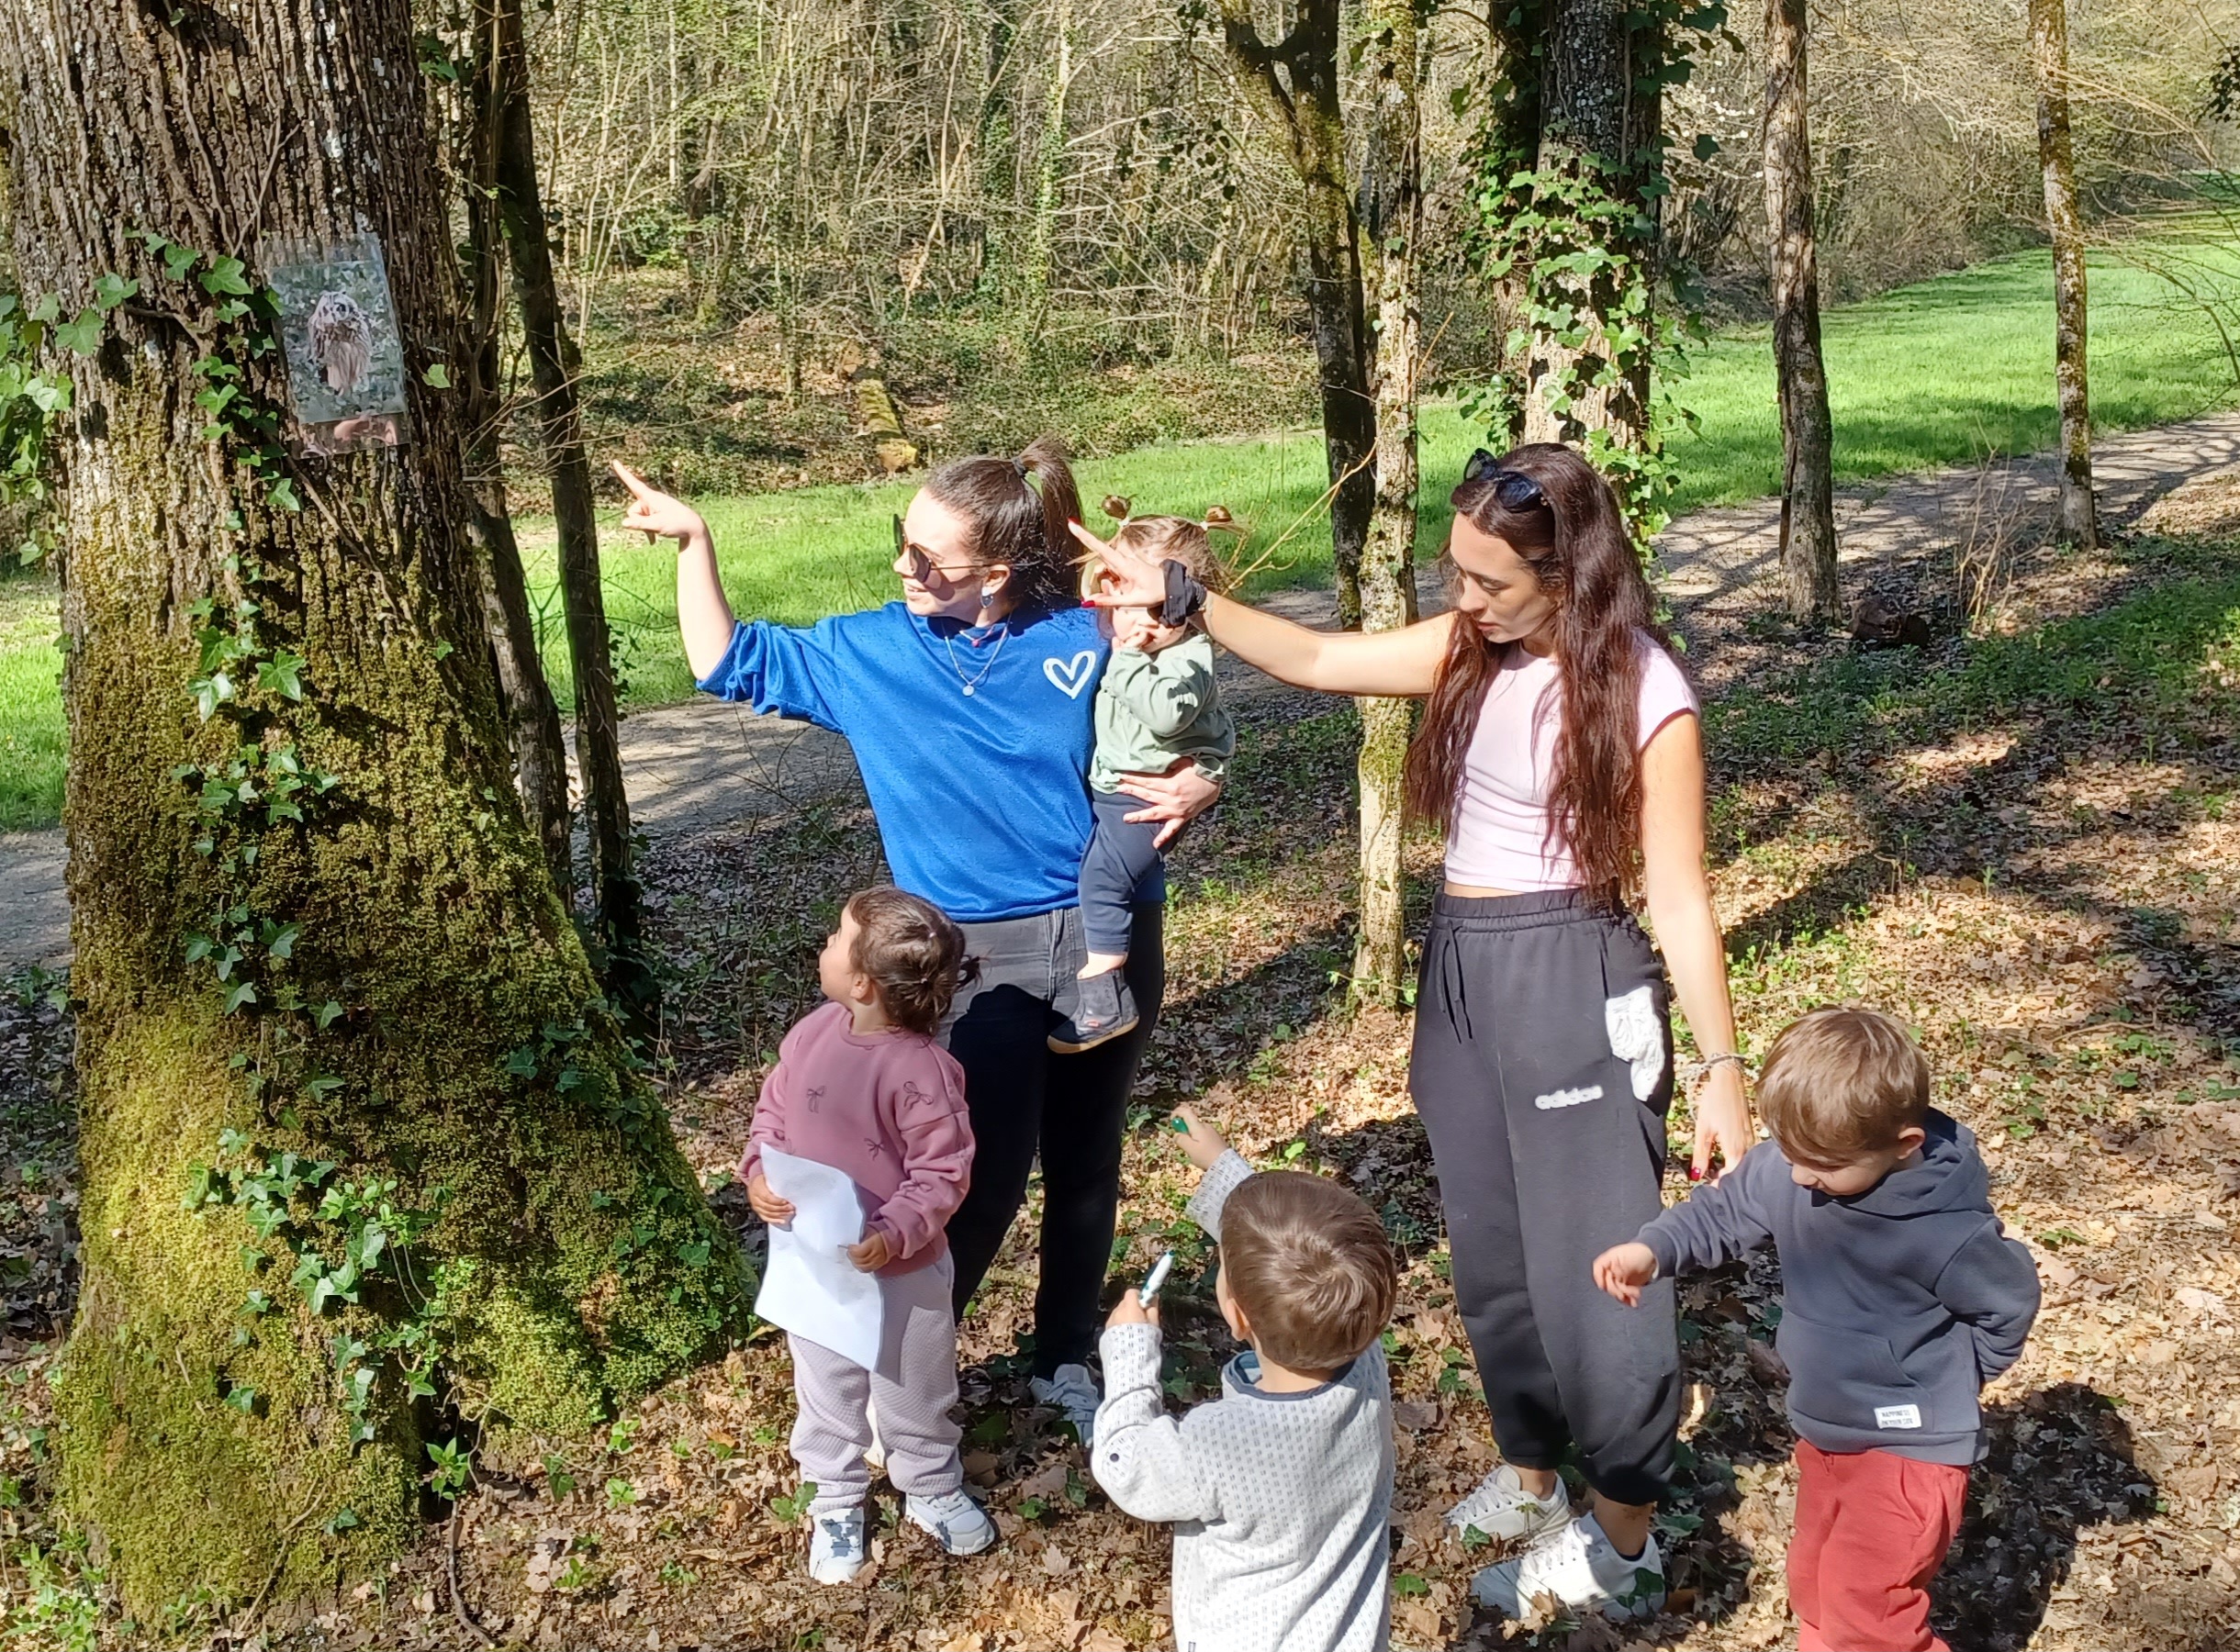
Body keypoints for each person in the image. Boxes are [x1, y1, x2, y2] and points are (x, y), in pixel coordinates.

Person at [1080, 442, 1754, 1618]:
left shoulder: (1646, 691)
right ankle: (1533, 1469)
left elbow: (1682, 895)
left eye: (1492, 581)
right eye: (1457, 573)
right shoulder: (1466, 649)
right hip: (1462, 973)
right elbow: (1315, 656)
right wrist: (1185, 600)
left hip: (1571, 972)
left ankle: (1624, 1537)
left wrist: (1720, 1067)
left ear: (1571, 574)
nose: (1466, 599)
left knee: (1594, 1274)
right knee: (1493, 1261)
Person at [617, 441, 1220, 1446]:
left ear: (996, 574)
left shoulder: (1078, 633)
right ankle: (908, 1374)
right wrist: (694, 543)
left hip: (1105, 937)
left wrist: (1204, 777)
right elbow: (723, 661)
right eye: (900, 545)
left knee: (1085, 1162)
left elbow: (1182, 709)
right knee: (974, 1177)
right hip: (969, 960)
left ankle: (1063, 1355)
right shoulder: (869, 653)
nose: (905, 570)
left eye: (929, 559)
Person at [1594, 1007, 2040, 1651]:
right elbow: (1721, 1212)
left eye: (1823, 1166)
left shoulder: (1944, 1229)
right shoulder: (1796, 1163)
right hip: (1827, 1429)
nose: (1802, 1178)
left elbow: (2009, 1303)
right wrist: (1653, 1251)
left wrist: (1953, 1376)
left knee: (1871, 1616)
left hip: (1911, 1453)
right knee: (1818, 1586)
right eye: (1791, 1155)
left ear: (1904, 1144)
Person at [742, 887, 991, 1582]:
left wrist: (893, 1232)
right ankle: (837, 1497)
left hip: (904, 1270)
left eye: (833, 938)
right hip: (814, 1265)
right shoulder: (810, 1036)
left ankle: (931, 1485)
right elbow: (773, 1113)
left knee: (915, 1385)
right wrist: (759, 1169)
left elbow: (943, 1171)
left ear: (863, 982)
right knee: (826, 1388)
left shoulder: (922, 1072)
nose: (821, 945)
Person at [1093, 1102, 1397, 1652]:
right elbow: (1305, 1259)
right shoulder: (1365, 1367)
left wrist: (1130, 1353)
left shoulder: (1218, 1442)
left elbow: (1126, 1466)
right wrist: (1224, 1172)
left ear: (1236, 1316)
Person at [1054, 516, 1236, 1054]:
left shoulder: (1185, 655)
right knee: (1098, 874)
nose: (1151, 624)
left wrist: (1128, 654)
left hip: (1144, 799)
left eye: (1167, 610)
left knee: (1104, 884)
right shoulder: (1126, 636)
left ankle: (1105, 996)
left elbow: (1165, 715)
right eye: (1141, 606)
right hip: (1124, 792)